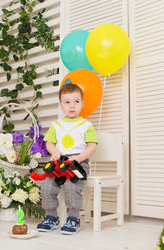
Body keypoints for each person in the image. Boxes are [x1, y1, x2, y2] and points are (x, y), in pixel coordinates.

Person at [37, 83, 98, 235]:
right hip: (60, 163)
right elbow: (49, 143)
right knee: (47, 184)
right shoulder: (56, 125)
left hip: (79, 163)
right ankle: (51, 217)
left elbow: (91, 146)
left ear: (82, 103)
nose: (72, 106)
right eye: (67, 102)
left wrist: (79, 158)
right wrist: (55, 151)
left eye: (76, 101)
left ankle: (73, 218)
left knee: (72, 184)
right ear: (61, 105)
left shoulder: (86, 125)